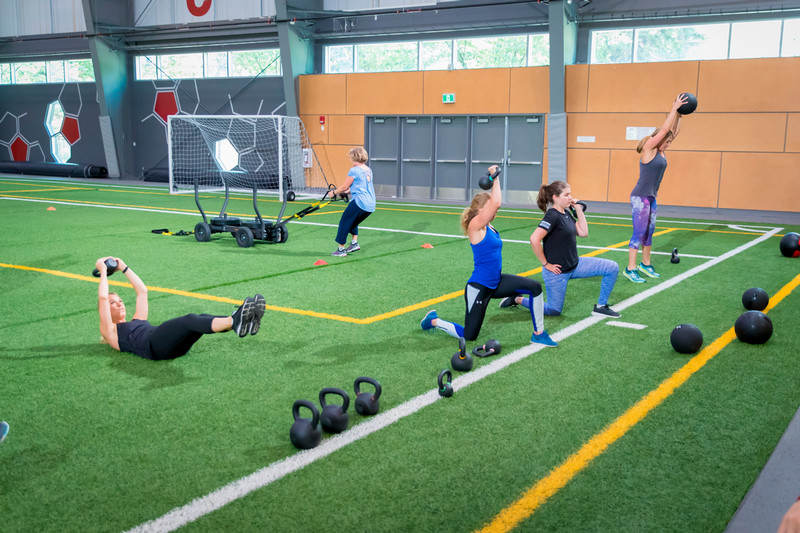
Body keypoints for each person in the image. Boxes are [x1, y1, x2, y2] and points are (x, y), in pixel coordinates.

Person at [420, 166, 556, 347]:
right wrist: (496, 177)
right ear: (481, 209)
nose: (495, 210)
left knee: (535, 287)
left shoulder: (490, 226)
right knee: (469, 335)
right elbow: (497, 204)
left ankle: (539, 334)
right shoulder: (475, 226)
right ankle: (433, 321)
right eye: (489, 206)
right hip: (479, 287)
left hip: (496, 282)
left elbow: (495, 206)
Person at [95, 256, 265, 360]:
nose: (119, 303)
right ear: (106, 312)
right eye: (113, 303)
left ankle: (243, 321)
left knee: (200, 319)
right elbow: (103, 297)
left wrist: (124, 267)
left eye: (120, 300)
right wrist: (103, 270)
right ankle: (236, 320)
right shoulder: (111, 332)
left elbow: (142, 292)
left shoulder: (137, 320)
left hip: (169, 346)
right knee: (189, 320)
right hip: (153, 345)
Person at [500, 180, 621, 318]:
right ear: (555, 198)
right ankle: (517, 298)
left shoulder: (566, 214)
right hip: (557, 273)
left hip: (575, 265)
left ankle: (601, 306)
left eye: (570, 194)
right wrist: (546, 264)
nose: (570, 197)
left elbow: (583, 233)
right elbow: (534, 239)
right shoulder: (552, 215)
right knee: (553, 311)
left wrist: (579, 210)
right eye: (566, 194)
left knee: (612, 268)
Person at [625, 93, 688, 283]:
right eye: (666, 142)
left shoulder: (660, 151)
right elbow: (665, 129)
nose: (668, 144)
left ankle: (645, 264)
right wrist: (673, 109)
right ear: (657, 139)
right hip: (640, 198)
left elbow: (673, 132)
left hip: (651, 198)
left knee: (649, 232)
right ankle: (630, 268)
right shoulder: (649, 149)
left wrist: (681, 115)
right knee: (638, 232)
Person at [328, 147, 376, 257]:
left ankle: (341, 250)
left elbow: (345, 186)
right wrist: (347, 192)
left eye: (350, 156)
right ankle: (354, 243)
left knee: (344, 222)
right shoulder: (368, 169)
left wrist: (333, 193)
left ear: (354, 157)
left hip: (360, 202)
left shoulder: (354, 170)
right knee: (353, 222)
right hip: (370, 204)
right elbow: (359, 186)